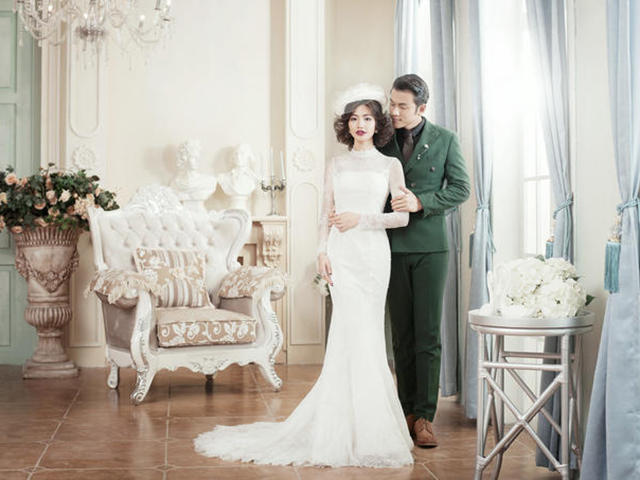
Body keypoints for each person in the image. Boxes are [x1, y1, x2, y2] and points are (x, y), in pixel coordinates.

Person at [194, 83, 414, 467]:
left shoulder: (389, 165)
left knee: (368, 335)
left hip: (373, 256)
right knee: (346, 333)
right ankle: (338, 425)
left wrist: (361, 219)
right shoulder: (336, 164)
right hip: (342, 255)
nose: (360, 124)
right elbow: (324, 214)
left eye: (367, 118)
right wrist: (321, 253)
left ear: (378, 123)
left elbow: (402, 217)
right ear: (346, 124)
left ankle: (370, 428)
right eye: (354, 118)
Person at [379, 74, 470, 448]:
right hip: (389, 246)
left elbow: (461, 189)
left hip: (431, 248)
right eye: (392, 103)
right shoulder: (382, 139)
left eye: (402, 106)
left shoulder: (445, 139)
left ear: (421, 108)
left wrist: (421, 202)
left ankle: (425, 417)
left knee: (428, 334)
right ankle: (405, 411)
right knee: (401, 335)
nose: (394, 111)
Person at [170, 139, 217, 212]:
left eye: (198, 157)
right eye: (193, 157)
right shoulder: (175, 183)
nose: (197, 161)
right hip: (184, 213)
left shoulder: (209, 181)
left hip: (201, 212)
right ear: (184, 159)